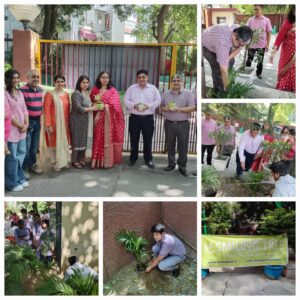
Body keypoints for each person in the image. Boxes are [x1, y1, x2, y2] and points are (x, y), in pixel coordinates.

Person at [124, 69, 161, 168]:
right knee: (133, 139)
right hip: (135, 118)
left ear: (147, 77)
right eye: (139, 77)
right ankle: (133, 158)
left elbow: (158, 100)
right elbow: (126, 99)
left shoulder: (153, 88)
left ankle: (148, 159)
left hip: (148, 118)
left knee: (148, 140)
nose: (141, 79)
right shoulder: (131, 88)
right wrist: (133, 105)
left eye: (143, 77)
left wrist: (148, 106)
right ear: (137, 78)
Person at [160, 74, 195, 176]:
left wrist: (179, 109)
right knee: (170, 145)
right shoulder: (166, 94)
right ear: (171, 82)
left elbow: (192, 107)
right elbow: (161, 106)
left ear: (182, 82)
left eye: (178, 81)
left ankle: (182, 166)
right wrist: (165, 108)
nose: (176, 82)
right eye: (174, 81)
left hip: (183, 124)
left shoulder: (188, 94)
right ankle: (171, 164)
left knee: (183, 146)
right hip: (169, 123)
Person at [202, 24, 253, 93]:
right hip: (205, 45)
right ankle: (219, 92)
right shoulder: (222, 43)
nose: (241, 47)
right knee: (218, 68)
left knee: (230, 61)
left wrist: (225, 60)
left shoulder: (240, 31)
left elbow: (238, 48)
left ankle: (226, 80)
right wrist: (229, 90)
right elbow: (223, 70)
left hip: (216, 39)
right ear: (234, 36)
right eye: (240, 44)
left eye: (243, 45)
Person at [90, 71, 125, 169]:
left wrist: (105, 106)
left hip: (110, 120)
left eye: (107, 77)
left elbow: (117, 105)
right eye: (103, 77)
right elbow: (90, 104)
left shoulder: (113, 90)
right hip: (98, 118)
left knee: (109, 138)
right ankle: (98, 161)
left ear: (109, 79)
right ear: (99, 78)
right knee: (98, 138)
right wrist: (96, 105)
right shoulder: (95, 90)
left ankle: (108, 161)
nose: (105, 79)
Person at [5, 69, 29, 192]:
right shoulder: (4, 94)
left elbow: (24, 109)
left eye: (17, 77)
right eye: (13, 78)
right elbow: (8, 114)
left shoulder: (20, 93)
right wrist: (20, 125)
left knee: (20, 155)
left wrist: (26, 123)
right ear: (8, 79)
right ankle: (11, 183)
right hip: (12, 130)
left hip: (22, 130)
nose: (15, 80)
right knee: (12, 158)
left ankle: (19, 178)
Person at [43, 75, 71, 171]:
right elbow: (46, 110)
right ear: (54, 82)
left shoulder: (66, 94)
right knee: (54, 143)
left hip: (65, 123)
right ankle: (55, 162)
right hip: (54, 123)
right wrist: (48, 124)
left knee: (64, 141)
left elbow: (68, 109)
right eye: (58, 81)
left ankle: (64, 160)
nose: (60, 83)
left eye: (62, 81)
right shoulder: (50, 94)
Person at [20, 70, 44, 179]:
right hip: (28, 121)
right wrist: (26, 122)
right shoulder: (22, 90)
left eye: (37, 77)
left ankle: (32, 164)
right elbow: (21, 108)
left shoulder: (40, 89)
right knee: (27, 146)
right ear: (28, 78)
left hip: (37, 120)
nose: (36, 79)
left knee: (35, 146)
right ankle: (24, 168)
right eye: (33, 76)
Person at [70, 75, 96, 169]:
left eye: (87, 82)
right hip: (77, 120)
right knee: (76, 140)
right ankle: (74, 160)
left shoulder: (86, 93)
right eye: (83, 82)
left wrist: (94, 104)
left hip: (85, 120)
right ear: (79, 83)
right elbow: (78, 108)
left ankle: (81, 158)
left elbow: (87, 105)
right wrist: (92, 108)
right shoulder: (76, 93)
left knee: (83, 140)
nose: (85, 84)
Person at [269, 5, 295, 92]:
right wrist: (272, 54)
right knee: (283, 75)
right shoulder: (287, 23)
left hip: (295, 59)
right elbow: (279, 39)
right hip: (285, 57)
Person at [246, 5, 272, 79]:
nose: (256, 11)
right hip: (251, 44)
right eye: (254, 9)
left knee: (260, 60)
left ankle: (258, 73)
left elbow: (268, 33)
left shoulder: (266, 20)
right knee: (249, 60)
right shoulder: (250, 20)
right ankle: (246, 72)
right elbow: (247, 31)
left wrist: (267, 44)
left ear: (261, 10)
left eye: (257, 9)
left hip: (261, 45)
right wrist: (246, 42)